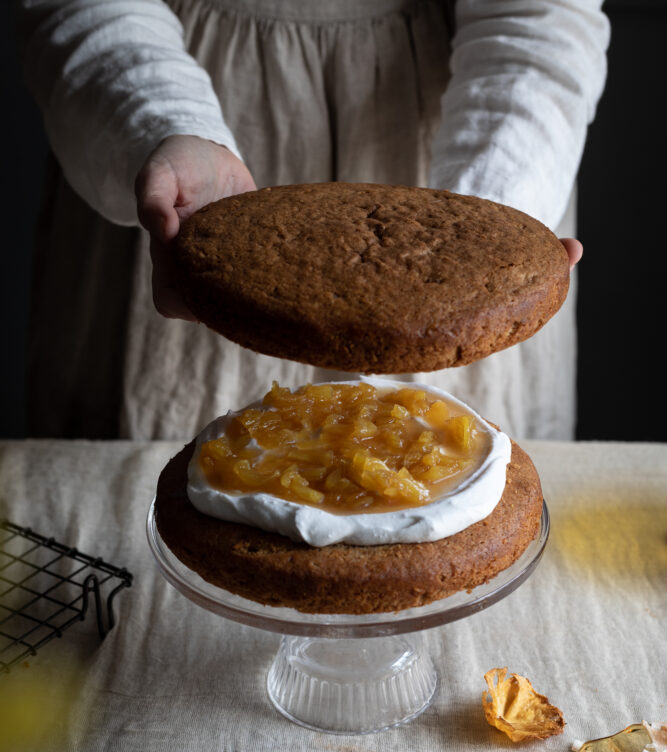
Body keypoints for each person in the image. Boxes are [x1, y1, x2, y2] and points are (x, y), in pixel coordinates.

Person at [19, 0, 609, 441]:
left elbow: (541, 15)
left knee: (451, 482)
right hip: (163, 109)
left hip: (468, 127)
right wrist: (162, 123)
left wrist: (486, 226)